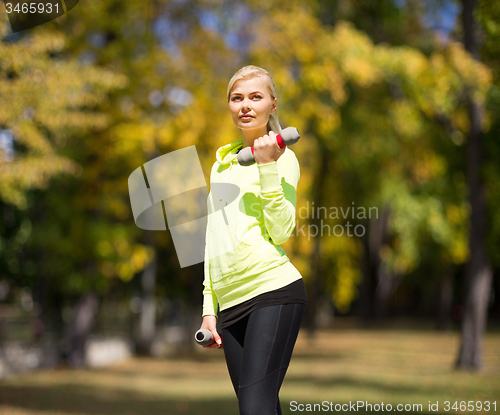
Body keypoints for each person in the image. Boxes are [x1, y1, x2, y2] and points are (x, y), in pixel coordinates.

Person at [198, 65, 307, 415]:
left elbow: (282, 231)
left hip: (271, 292)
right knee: (261, 408)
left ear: (272, 105)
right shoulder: (221, 165)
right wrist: (207, 310)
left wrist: (267, 166)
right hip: (230, 304)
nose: (245, 105)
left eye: (255, 97)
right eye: (237, 98)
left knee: (254, 408)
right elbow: (212, 238)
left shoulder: (283, 158)